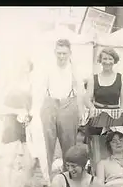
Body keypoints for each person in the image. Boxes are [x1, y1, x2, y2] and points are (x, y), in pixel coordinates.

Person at [31, 39, 86, 176]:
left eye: (64, 54)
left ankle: (70, 177)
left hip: (68, 103)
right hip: (50, 103)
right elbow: (39, 89)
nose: (61, 57)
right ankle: (47, 179)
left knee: (69, 143)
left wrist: (81, 112)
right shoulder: (47, 67)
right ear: (55, 52)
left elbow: (80, 91)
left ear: (70, 53)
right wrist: (35, 110)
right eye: (59, 53)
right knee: (47, 144)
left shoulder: (75, 68)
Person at [0, 59, 34, 187]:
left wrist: (28, 114)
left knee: (29, 161)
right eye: (21, 66)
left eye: (26, 67)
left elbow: (32, 106)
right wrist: (17, 111)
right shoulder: (9, 83)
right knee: (9, 159)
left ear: (30, 69)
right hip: (11, 124)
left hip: (26, 124)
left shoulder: (31, 84)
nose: (23, 69)